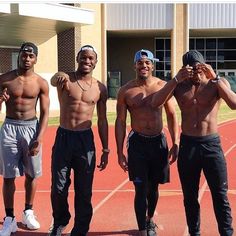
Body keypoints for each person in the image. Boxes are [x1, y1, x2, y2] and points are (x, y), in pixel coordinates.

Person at [151, 50, 235, 236]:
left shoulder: (216, 84)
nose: (196, 72)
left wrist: (217, 78)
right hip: (188, 146)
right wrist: (175, 79)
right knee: (190, 196)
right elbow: (155, 102)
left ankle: (227, 233)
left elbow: (234, 104)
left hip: (211, 145)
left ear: (205, 66)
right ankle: (194, 233)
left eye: (200, 68)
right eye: (192, 69)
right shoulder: (179, 87)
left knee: (220, 195)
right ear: (185, 69)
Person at [115, 49, 179, 236]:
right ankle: (142, 229)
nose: (144, 66)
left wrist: (175, 142)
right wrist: (119, 152)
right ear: (135, 65)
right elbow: (120, 121)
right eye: (140, 62)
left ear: (153, 65)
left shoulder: (162, 86)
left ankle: (149, 219)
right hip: (137, 144)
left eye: (147, 62)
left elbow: (171, 115)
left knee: (154, 187)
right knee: (140, 188)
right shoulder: (126, 90)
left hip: (158, 143)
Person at [49, 45, 109, 236]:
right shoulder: (66, 79)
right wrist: (57, 74)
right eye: (84, 57)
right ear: (77, 58)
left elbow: (102, 119)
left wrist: (106, 149)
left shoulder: (100, 88)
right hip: (64, 138)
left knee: (84, 190)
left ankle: (81, 228)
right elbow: (53, 79)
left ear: (96, 62)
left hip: (85, 140)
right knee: (58, 187)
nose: (87, 61)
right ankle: (60, 220)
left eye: (91, 58)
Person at [0, 42, 50, 236]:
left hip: (31, 128)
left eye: (31, 56)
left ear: (36, 58)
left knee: (31, 174)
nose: (27, 59)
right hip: (10, 127)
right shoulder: (4, 78)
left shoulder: (40, 83)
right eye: (24, 55)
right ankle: (10, 218)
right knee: (9, 176)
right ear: (19, 55)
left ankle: (28, 211)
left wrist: (40, 138)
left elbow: (45, 113)